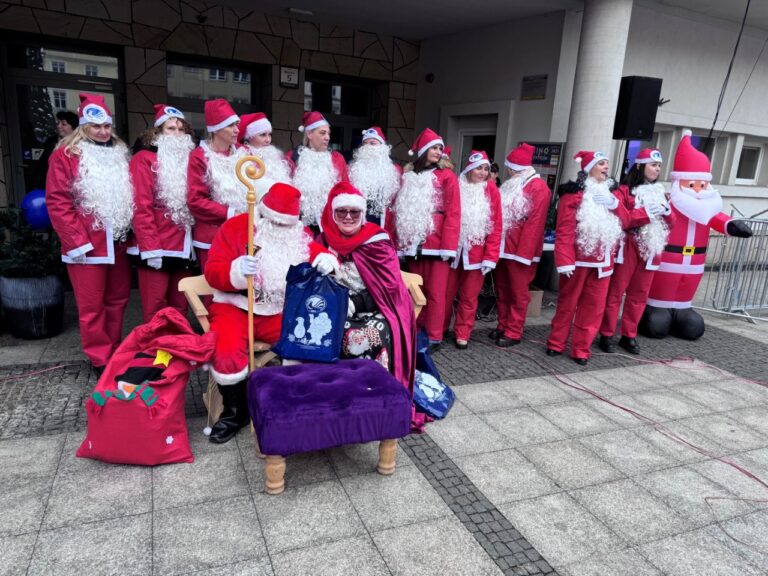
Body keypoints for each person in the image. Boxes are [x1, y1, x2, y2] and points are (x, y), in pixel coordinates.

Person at [204, 182, 338, 443]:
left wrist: (327, 260)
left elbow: (318, 253)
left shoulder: (299, 234)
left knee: (306, 342)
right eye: (274, 223)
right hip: (235, 306)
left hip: (278, 309)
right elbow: (212, 272)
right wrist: (236, 271)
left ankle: (295, 402)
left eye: (285, 225)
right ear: (263, 215)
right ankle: (235, 413)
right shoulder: (235, 228)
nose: (279, 229)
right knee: (226, 347)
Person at [316, 181, 425, 431]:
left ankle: (374, 402)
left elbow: (390, 289)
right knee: (322, 332)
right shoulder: (322, 240)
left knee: (370, 335)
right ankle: (333, 403)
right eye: (341, 211)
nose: (348, 217)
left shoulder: (377, 241)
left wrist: (354, 302)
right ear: (332, 213)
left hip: (376, 307)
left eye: (354, 212)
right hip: (334, 308)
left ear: (363, 214)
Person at [46, 93, 134, 375]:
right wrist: (77, 242)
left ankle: (114, 349)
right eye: (96, 126)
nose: (103, 132)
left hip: (117, 242)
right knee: (92, 306)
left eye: (107, 126)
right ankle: (99, 358)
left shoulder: (120, 153)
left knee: (118, 300)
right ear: (84, 126)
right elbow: (58, 201)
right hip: (87, 246)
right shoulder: (65, 155)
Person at [641, 131, 752, 340]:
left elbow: (718, 219)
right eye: (692, 185)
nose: (698, 190)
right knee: (658, 317)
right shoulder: (669, 203)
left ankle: (683, 310)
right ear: (679, 182)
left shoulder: (707, 207)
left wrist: (733, 225)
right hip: (669, 259)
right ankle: (656, 308)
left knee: (689, 315)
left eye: (703, 185)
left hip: (695, 261)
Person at [546, 150, 624, 365]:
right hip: (577, 261)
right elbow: (564, 230)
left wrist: (615, 205)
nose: (606, 167)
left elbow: (626, 221)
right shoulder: (573, 195)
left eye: (607, 163)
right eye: (601, 163)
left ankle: (581, 349)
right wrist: (564, 260)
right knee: (567, 304)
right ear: (589, 168)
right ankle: (556, 342)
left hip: (603, 263)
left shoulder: (614, 195)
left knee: (594, 308)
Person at [389, 128, 460, 351]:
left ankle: (434, 335)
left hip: (437, 245)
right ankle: (417, 329)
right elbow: (400, 211)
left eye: (440, 148)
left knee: (436, 293)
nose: (439, 152)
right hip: (412, 246)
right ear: (423, 150)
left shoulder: (447, 176)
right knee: (415, 290)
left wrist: (448, 246)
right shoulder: (408, 177)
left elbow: (453, 212)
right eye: (434, 148)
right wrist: (399, 243)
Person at [598, 148, 674, 354]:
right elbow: (623, 219)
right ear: (640, 166)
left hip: (651, 248)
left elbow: (672, 223)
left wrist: (668, 211)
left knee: (639, 295)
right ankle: (606, 333)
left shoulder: (660, 192)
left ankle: (629, 335)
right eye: (653, 165)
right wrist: (646, 213)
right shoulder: (623, 191)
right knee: (615, 293)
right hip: (628, 245)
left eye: (659, 166)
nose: (657, 169)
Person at [129, 104, 196, 323]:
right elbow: (141, 206)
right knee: (155, 306)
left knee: (180, 305)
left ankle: (178, 343)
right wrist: (150, 248)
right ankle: (155, 344)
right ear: (158, 132)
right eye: (171, 128)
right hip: (156, 245)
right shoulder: (144, 159)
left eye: (181, 129)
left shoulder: (190, 161)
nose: (177, 134)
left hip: (183, 246)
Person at [492, 143, 552, 347]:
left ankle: (514, 331)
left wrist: (524, 255)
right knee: (502, 289)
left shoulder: (538, 188)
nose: (508, 172)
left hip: (520, 252)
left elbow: (535, 225)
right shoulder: (514, 184)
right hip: (504, 248)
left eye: (509, 168)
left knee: (518, 293)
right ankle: (503, 324)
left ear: (514, 168)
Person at [443, 151, 501, 349]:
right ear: (469, 169)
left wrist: (491, 256)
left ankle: (463, 332)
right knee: (445, 294)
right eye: (479, 168)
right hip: (453, 252)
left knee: (469, 296)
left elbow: (496, 225)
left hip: (477, 254)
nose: (483, 173)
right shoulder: (455, 186)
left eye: (486, 169)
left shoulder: (491, 190)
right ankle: (440, 329)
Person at [187, 98, 247, 272]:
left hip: (241, 235)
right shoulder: (200, 157)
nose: (237, 130)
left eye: (237, 125)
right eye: (231, 126)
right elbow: (195, 200)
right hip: (211, 238)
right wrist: (231, 213)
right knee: (213, 284)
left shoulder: (243, 153)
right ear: (216, 129)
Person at [286, 111, 349, 229]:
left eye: (328, 133)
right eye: (322, 133)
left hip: (330, 223)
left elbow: (346, 190)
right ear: (309, 134)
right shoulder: (292, 157)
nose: (327, 138)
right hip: (299, 224)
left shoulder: (337, 159)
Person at [348, 126, 402, 226]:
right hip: (359, 224)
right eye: (365, 144)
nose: (368, 147)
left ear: (382, 147)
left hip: (384, 224)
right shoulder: (353, 170)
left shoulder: (395, 171)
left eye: (373, 143)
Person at [238, 112, 292, 187]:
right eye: (263, 135)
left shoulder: (275, 156)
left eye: (269, 134)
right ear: (249, 137)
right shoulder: (243, 158)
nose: (268, 140)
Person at [33, 110, 78, 189]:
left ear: (73, 127)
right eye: (58, 123)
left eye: (63, 124)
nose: (59, 126)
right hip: (48, 185)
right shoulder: (51, 142)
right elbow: (41, 167)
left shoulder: (79, 145)